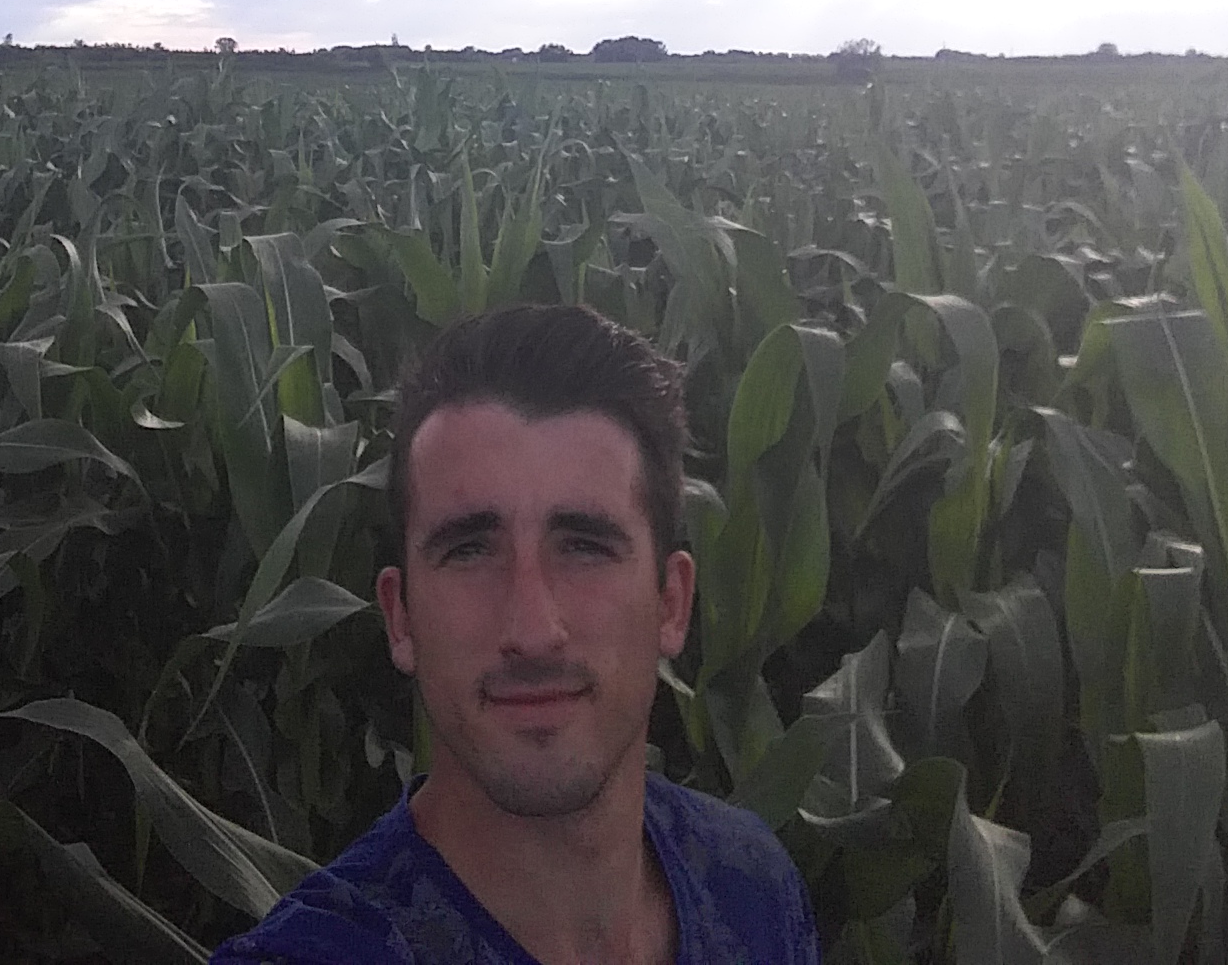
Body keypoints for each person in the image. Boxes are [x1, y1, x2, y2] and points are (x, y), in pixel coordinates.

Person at [210, 302, 821, 965]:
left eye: (584, 547)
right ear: (400, 616)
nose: (533, 632)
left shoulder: (753, 887)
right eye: (469, 551)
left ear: (672, 603)